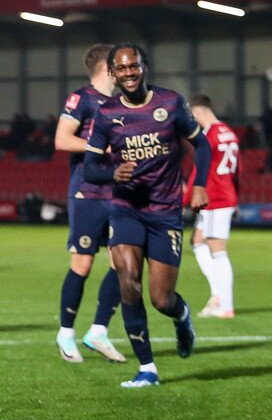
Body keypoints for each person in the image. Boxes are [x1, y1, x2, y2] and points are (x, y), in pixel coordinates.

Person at [84, 42, 211, 388]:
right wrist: (113, 174)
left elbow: (203, 145)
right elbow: (89, 169)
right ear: (112, 73)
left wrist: (199, 184)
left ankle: (182, 316)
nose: (128, 73)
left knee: (161, 299)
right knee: (128, 281)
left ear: (144, 67)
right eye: (121, 68)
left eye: (134, 66)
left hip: (166, 212)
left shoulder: (170, 103)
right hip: (126, 208)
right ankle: (148, 369)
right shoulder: (107, 113)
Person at [52, 44, 126, 364]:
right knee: (82, 264)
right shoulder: (81, 98)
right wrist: (101, 148)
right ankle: (66, 333)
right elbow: (62, 139)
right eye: (120, 67)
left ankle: (98, 331)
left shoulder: (125, 102)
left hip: (120, 193)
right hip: (88, 193)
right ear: (108, 69)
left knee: (123, 264)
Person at [185, 94, 239, 318]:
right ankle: (218, 295)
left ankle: (225, 305)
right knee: (197, 242)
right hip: (224, 195)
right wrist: (237, 198)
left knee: (218, 251)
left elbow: (199, 172)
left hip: (215, 198)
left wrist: (183, 200)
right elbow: (238, 169)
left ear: (198, 112)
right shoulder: (229, 132)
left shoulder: (208, 136)